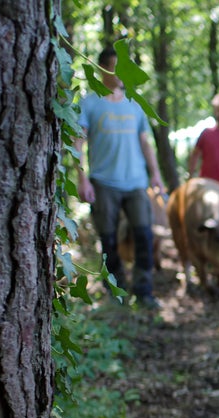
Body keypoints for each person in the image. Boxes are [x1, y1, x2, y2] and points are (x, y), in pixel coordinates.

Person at [76, 45, 164, 308]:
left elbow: (145, 142)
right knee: (109, 239)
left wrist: (156, 175)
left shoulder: (135, 104)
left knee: (144, 235)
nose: (120, 73)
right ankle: (116, 290)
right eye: (115, 67)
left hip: (136, 182)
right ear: (102, 69)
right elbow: (78, 141)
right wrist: (82, 179)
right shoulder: (89, 103)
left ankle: (144, 292)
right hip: (104, 183)